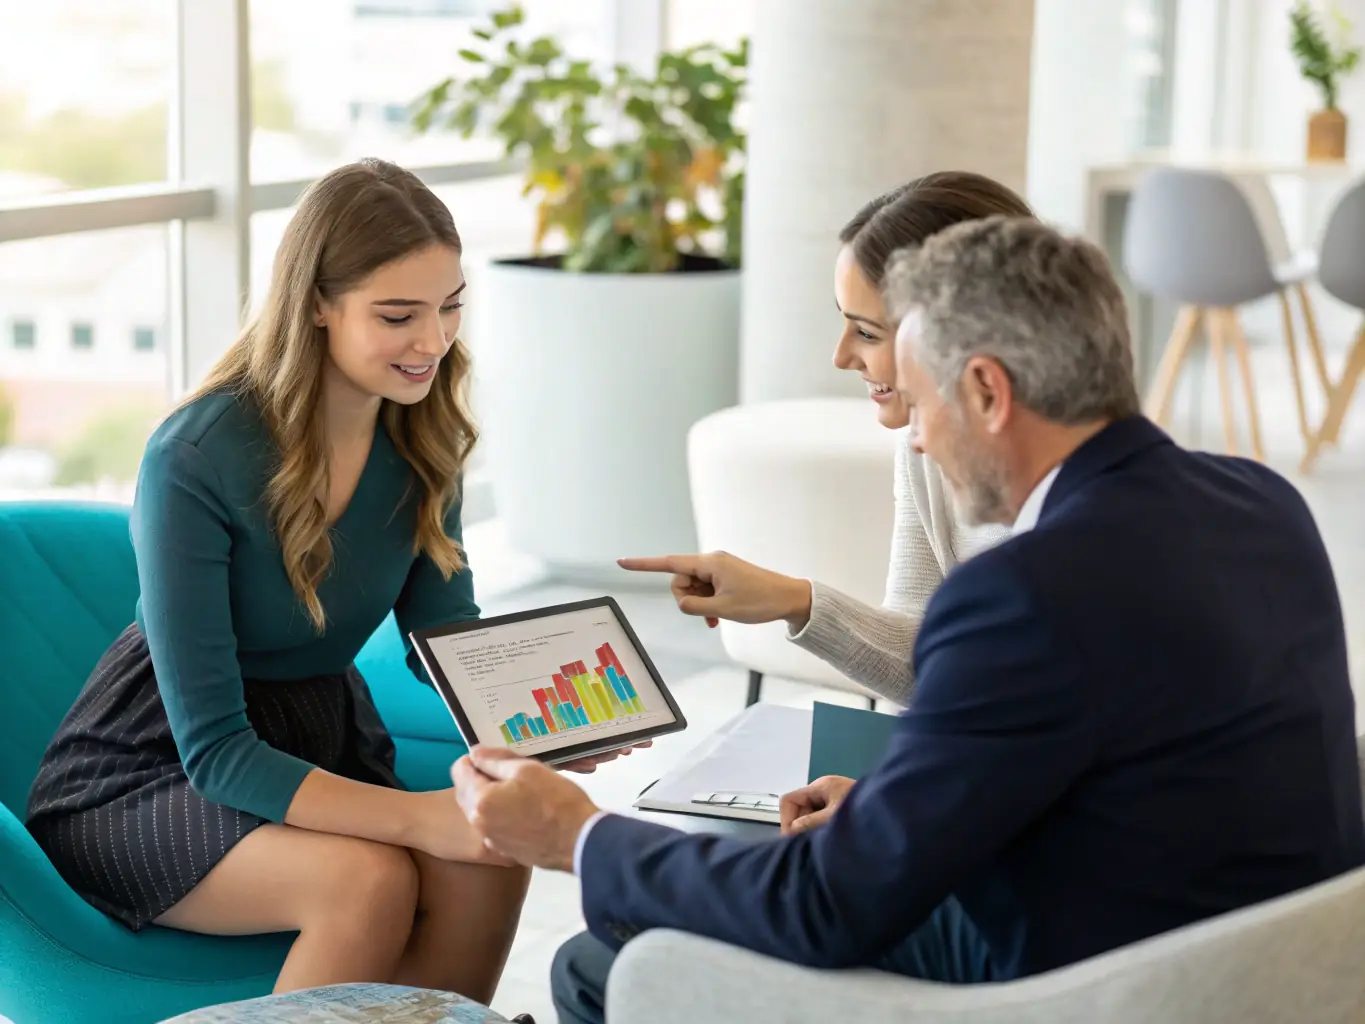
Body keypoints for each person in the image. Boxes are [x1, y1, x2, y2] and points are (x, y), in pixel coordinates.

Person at [451, 215, 1365, 1024]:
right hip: (1275, 961)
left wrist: (577, 835)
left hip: (1102, 982)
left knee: (602, 964)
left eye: (922, 402)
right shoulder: (1261, 502)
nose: (917, 435)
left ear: (986, 392)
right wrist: (902, 811)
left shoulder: (1023, 592)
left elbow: (825, 907)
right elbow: (1153, 763)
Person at [25, 158, 604, 1002]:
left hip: (316, 736)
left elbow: (447, 643)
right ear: (317, 307)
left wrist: (559, 716)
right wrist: (419, 819)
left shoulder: (422, 437)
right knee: (365, 880)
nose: (434, 343)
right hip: (152, 773)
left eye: (450, 309)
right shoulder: (196, 456)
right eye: (398, 315)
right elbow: (218, 751)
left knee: (488, 854)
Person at [619, 171, 1031, 706]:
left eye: (867, 332)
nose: (840, 357)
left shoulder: (1069, 497)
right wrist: (794, 600)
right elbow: (926, 665)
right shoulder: (922, 445)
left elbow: (1006, 697)